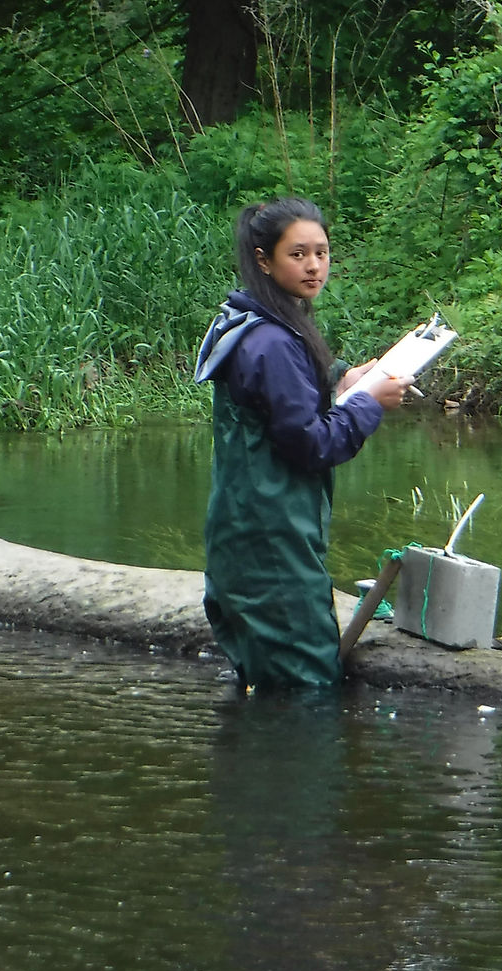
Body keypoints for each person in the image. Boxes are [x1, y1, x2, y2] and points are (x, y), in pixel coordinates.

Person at [194, 196, 411, 689]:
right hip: (272, 545)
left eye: (322, 252)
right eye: (298, 254)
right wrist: (369, 402)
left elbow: (282, 399)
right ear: (263, 259)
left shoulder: (253, 320)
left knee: (267, 687)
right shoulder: (271, 340)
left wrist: (344, 379)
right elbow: (313, 444)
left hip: (246, 533)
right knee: (306, 690)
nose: (314, 266)